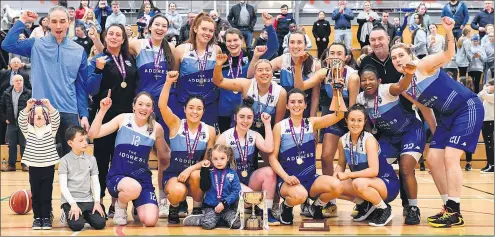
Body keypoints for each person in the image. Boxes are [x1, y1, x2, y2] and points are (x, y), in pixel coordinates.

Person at [390, 17, 484, 228]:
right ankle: (447, 207)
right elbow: (425, 109)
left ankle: (455, 210)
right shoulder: (404, 87)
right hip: (446, 118)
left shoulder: (423, 65)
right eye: (394, 58)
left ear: (410, 55)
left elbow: (448, 54)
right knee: (433, 158)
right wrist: (437, 135)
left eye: (401, 55)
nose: (398, 60)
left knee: (450, 157)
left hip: (466, 107)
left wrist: (449, 32)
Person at [1, 7, 90, 157]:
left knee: (72, 161)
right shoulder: (36, 44)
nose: (58, 26)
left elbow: (81, 86)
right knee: (41, 162)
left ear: (69, 22)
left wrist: (84, 114)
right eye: (54, 21)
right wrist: (22, 20)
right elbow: (7, 45)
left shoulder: (79, 50)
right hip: (41, 112)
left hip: (69, 111)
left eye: (62, 21)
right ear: (48, 23)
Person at [357, 64, 429, 225]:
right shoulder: (361, 98)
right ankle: (377, 205)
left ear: (379, 81)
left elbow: (400, 86)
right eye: (364, 80)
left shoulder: (386, 90)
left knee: (405, 168)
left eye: (371, 79)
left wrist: (409, 75)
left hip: (410, 131)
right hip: (390, 136)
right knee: (373, 166)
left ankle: (412, 208)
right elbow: (366, 123)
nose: (367, 82)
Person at [293, 43, 359, 218]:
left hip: (350, 118)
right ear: (327, 57)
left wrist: (351, 133)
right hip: (333, 115)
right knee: (326, 156)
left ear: (346, 57)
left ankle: (362, 202)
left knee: (351, 161)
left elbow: (353, 108)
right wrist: (298, 66)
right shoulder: (324, 72)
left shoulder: (352, 77)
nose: (336, 56)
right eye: (332, 53)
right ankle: (330, 201)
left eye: (340, 53)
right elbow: (300, 86)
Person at [88, 91, 167, 227]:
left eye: (148, 105)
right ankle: (121, 206)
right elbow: (93, 134)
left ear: (152, 109)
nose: (143, 108)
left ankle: (136, 205)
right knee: (133, 188)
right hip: (118, 177)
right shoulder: (123, 119)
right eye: (140, 104)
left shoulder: (157, 128)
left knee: (150, 220)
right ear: (133, 106)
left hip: (142, 179)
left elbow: (165, 155)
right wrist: (102, 111)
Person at [86, 23, 140, 219]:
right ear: (105, 37)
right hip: (105, 117)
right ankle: (98, 201)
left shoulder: (130, 59)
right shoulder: (98, 59)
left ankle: (118, 202)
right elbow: (90, 90)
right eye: (111, 34)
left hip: (126, 119)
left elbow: (134, 86)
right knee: (101, 161)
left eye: (119, 34)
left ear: (124, 39)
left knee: (123, 161)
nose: (115, 37)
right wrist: (99, 70)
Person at [270, 87, 344, 224]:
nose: (296, 105)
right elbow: (272, 158)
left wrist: (337, 92)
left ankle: (317, 205)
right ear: (287, 105)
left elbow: (339, 115)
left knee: (337, 186)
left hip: (310, 178)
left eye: (300, 102)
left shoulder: (312, 123)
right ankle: (286, 207)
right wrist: (285, 177)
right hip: (289, 180)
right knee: (301, 195)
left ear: (305, 105)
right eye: (292, 102)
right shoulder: (280, 127)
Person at [128, 14, 175, 218]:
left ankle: (163, 198)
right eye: (157, 24)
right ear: (149, 27)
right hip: (143, 108)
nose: (160, 28)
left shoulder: (171, 50)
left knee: (165, 157)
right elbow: (112, 44)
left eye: (164, 26)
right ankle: (138, 200)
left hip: (164, 107)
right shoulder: (137, 45)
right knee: (140, 157)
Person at [158, 71, 217, 224]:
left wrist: (190, 169)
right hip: (174, 175)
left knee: (198, 174)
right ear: (184, 109)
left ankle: (197, 208)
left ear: (203, 111)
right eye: (191, 107)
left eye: (199, 108)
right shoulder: (176, 124)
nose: (194, 112)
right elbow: (162, 106)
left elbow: (207, 161)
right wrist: (168, 83)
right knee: (178, 191)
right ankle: (174, 206)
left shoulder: (209, 130)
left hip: (195, 175)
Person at [334, 104, 400, 227]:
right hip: (364, 183)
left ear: (364, 122)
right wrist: (334, 177)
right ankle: (365, 203)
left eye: (359, 120)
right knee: (333, 185)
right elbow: (340, 165)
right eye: (352, 120)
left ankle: (384, 209)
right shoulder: (342, 140)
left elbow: (374, 171)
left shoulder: (369, 140)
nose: (355, 124)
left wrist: (349, 174)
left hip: (386, 183)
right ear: (346, 121)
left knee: (358, 183)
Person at [213, 104, 280, 224]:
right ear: (235, 118)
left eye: (249, 117)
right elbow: (216, 166)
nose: (245, 121)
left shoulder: (254, 135)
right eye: (242, 117)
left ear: (253, 119)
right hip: (230, 182)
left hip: (249, 179)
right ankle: (233, 207)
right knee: (250, 197)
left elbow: (269, 148)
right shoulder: (225, 137)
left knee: (269, 172)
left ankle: (267, 212)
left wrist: (267, 124)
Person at [217, 13, 278, 133]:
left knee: (248, 146)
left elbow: (273, 47)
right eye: (229, 41)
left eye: (235, 40)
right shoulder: (221, 60)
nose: (232, 43)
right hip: (224, 111)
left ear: (242, 40)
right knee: (228, 145)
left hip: (247, 111)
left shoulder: (252, 55)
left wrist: (269, 26)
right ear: (225, 43)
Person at [214, 52, 287, 137]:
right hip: (243, 128)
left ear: (272, 73)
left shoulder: (280, 92)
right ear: (255, 74)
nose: (264, 73)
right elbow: (219, 82)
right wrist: (218, 65)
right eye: (260, 70)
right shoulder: (246, 84)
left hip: (266, 130)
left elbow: (277, 125)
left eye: (267, 70)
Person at [250, 31, 320, 118]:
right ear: (288, 45)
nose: (295, 46)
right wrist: (255, 57)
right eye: (292, 42)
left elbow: (315, 96)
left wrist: (312, 119)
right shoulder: (282, 60)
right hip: (285, 108)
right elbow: (252, 75)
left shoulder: (315, 64)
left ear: (305, 45)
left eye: (299, 42)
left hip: (305, 108)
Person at [173, 12, 223, 129]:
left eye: (211, 31)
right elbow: (174, 78)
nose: (207, 33)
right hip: (185, 104)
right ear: (195, 28)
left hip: (209, 105)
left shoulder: (217, 50)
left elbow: (218, 77)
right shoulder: (181, 50)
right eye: (204, 29)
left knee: (209, 141)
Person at [19, 98, 60, 230]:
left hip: (48, 166)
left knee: (46, 193)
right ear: (31, 118)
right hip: (34, 166)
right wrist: (27, 107)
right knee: (35, 193)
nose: (39, 117)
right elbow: (21, 120)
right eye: (36, 115)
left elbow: (56, 117)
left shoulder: (50, 129)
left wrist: (49, 105)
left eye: (41, 115)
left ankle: (46, 218)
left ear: (47, 118)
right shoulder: (28, 130)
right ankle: (37, 218)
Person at [59, 126, 106, 231]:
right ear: (70, 143)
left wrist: (97, 202)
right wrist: (73, 204)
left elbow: (95, 182)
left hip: (88, 200)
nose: (85, 143)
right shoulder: (64, 161)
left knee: (100, 224)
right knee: (77, 226)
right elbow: (63, 187)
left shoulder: (92, 159)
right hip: (71, 201)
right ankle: (66, 212)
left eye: (86, 140)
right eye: (81, 140)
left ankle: (84, 215)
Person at [183, 145, 242, 229]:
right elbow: (204, 187)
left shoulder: (232, 173)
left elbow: (236, 191)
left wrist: (224, 203)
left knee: (236, 224)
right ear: (211, 159)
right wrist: (204, 170)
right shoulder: (209, 172)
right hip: (211, 208)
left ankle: (217, 220)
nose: (219, 162)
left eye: (222, 158)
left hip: (227, 208)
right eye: (215, 159)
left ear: (228, 158)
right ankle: (202, 219)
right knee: (207, 225)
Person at [0, 75, 30, 172]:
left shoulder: (29, 93)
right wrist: (5, 119)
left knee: (24, 144)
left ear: (23, 81)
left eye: (20, 80)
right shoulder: (6, 93)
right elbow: (2, 108)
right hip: (11, 123)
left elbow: (33, 108)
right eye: (16, 80)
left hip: (24, 123)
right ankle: (11, 165)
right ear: (13, 82)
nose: (19, 82)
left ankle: (25, 165)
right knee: (11, 145)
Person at [478, 79, 494, 173]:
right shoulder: (489, 96)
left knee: (490, 144)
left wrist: (486, 88)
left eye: (489, 86)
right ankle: (489, 163)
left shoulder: (491, 96)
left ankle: (492, 165)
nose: (487, 87)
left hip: (491, 122)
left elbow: (482, 94)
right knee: (488, 145)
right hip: (486, 121)